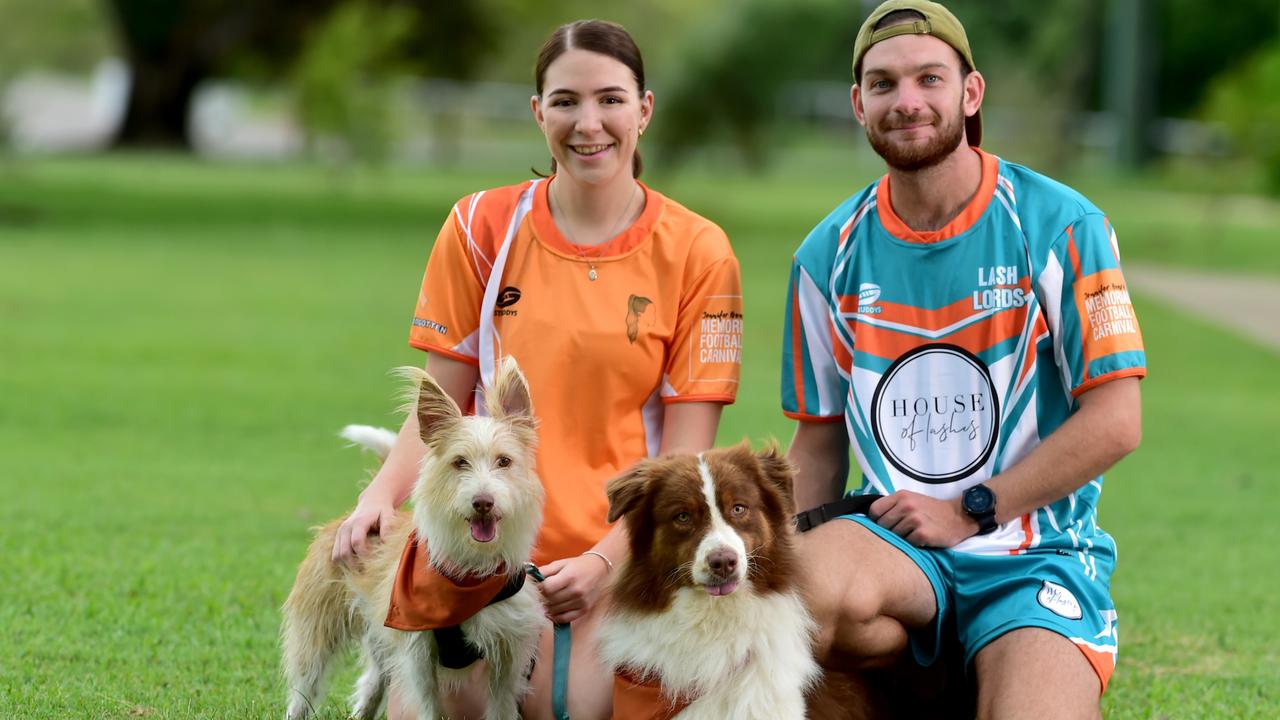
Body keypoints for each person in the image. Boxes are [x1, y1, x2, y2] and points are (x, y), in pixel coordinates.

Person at [329, 18, 744, 720]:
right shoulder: (478, 225)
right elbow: (440, 408)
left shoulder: (700, 251)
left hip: (617, 555)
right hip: (482, 559)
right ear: (537, 112)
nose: (589, 124)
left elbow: (685, 462)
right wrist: (380, 496)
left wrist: (602, 565)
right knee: (424, 711)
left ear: (644, 109)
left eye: (611, 100)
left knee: (572, 707)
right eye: (566, 102)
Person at [784, 2, 1144, 718]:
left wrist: (971, 509)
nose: (907, 101)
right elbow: (817, 444)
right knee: (796, 598)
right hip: (895, 550)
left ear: (969, 93)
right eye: (883, 85)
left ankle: (999, 668)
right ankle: (927, 678)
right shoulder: (826, 254)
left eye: (929, 79)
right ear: (859, 104)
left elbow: (1117, 422)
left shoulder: (1063, 224)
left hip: (1034, 555)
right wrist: (772, 558)